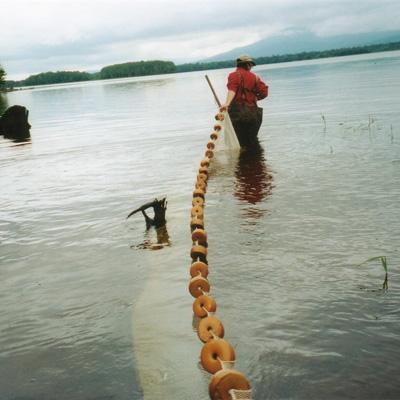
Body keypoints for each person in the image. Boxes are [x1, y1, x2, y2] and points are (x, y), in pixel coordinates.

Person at [220, 55, 269, 147]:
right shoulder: (255, 77)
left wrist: (227, 103)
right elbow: (264, 92)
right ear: (246, 65)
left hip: (237, 114)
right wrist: (255, 98)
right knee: (252, 141)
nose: (251, 67)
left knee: (239, 142)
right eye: (251, 65)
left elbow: (232, 90)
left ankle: (243, 160)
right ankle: (255, 160)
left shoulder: (233, 75)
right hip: (253, 114)